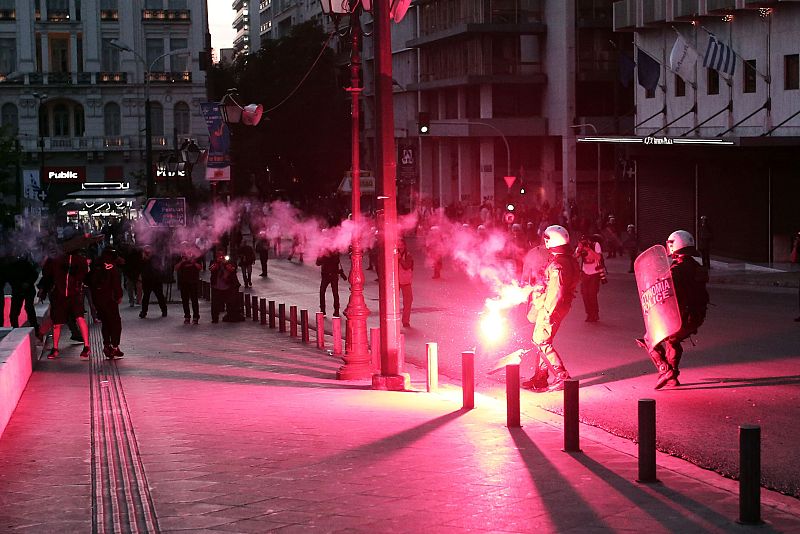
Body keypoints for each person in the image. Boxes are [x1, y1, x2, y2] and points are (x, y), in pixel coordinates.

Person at [639, 230, 709, 389]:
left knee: (650, 338)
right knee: (673, 340)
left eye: (670, 244)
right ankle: (672, 377)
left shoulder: (676, 270)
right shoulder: (697, 267)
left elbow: (668, 293)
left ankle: (665, 369)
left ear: (675, 245)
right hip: (697, 316)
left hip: (682, 316)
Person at [522, 225, 580, 392]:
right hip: (554, 307)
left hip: (552, 308)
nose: (544, 241)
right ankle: (540, 378)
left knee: (541, 340)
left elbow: (556, 293)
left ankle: (561, 376)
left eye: (546, 239)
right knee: (542, 340)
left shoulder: (558, 266)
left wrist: (548, 312)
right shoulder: (565, 259)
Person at [37, 248, 92, 360]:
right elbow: (86, 276)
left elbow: (48, 275)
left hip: (66, 294)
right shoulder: (77, 260)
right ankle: (84, 346)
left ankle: (59, 348)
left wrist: (43, 288)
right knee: (71, 319)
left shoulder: (60, 260)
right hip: (67, 294)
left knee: (65, 321)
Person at [87, 247, 124, 359]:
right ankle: (114, 346)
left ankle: (107, 345)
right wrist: (119, 296)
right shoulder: (112, 267)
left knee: (106, 323)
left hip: (98, 299)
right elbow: (116, 284)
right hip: (110, 300)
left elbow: (89, 281)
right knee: (115, 323)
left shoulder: (96, 264)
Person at [7, 251, 41, 337]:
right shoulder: (10, 267)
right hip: (18, 290)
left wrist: (28, 283)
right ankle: (15, 330)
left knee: (28, 307)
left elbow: (34, 274)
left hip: (27, 290)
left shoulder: (24, 264)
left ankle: (35, 328)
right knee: (14, 313)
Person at [576, 235, 604, 323]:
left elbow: (598, 257)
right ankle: (589, 314)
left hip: (595, 273)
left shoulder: (595, 245)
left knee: (592, 294)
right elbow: (575, 257)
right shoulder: (580, 247)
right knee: (585, 294)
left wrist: (589, 249)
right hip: (585, 273)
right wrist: (580, 249)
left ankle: (595, 314)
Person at [209, 249, 241, 323]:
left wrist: (225, 264)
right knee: (215, 304)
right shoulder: (214, 262)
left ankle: (231, 316)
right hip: (216, 286)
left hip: (228, 286)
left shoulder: (230, 261)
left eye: (222, 255)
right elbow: (211, 269)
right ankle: (215, 318)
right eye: (219, 255)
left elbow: (233, 269)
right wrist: (217, 263)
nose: (221, 257)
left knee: (230, 302)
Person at [175, 243, 202, 325]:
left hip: (193, 281)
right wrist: (182, 262)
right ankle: (187, 316)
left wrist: (193, 262)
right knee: (185, 300)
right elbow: (175, 268)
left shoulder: (195, 255)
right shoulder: (179, 257)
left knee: (194, 300)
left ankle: (196, 317)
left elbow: (200, 267)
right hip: (183, 281)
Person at [139, 245, 168, 319]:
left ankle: (164, 310)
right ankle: (144, 312)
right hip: (147, 280)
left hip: (156, 280)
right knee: (146, 297)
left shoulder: (155, 257)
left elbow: (159, 267)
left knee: (159, 296)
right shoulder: (142, 258)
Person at [316, 250, 347, 317]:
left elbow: (318, 263)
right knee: (332, 293)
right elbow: (318, 263)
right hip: (330, 275)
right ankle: (329, 310)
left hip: (330, 274)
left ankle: (330, 310)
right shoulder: (328, 251)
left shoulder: (333, 252)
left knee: (328, 292)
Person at [398, 238, 414, 328]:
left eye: (401, 244)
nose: (399, 246)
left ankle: (405, 320)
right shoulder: (393, 255)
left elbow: (407, 266)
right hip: (396, 282)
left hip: (406, 281)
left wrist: (400, 259)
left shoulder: (408, 255)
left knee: (408, 301)